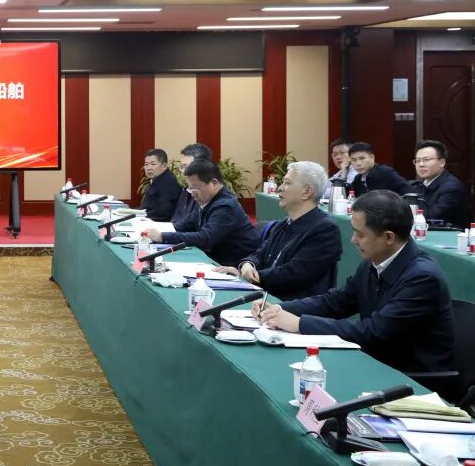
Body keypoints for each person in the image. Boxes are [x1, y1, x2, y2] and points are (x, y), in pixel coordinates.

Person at [258, 190, 453, 374]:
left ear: (388, 237)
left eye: (360, 234)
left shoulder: (422, 278)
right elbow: (334, 302)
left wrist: (300, 324)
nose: (353, 240)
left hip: (411, 377)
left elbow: (374, 331)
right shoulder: (372, 263)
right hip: (375, 362)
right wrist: (281, 309)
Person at [221, 161, 342, 300]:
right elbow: (260, 254)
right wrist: (247, 264)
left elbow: (294, 274)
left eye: (287, 183)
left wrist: (252, 276)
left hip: (292, 306)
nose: (280, 188)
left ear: (307, 192)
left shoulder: (325, 230)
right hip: (266, 296)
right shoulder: (284, 223)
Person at [145, 159, 260, 266]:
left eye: (195, 188)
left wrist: (162, 236)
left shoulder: (226, 206)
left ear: (214, 183)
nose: (192, 193)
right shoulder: (206, 200)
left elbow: (205, 238)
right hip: (215, 259)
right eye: (190, 188)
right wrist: (155, 229)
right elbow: (185, 224)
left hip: (237, 265)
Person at [412, 140, 471, 229]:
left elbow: (431, 218)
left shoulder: (451, 188)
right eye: (417, 160)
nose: (421, 164)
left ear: (442, 162)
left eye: (426, 160)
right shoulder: (419, 185)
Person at [349, 142, 414, 198]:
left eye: (362, 158)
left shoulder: (386, 173)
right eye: (354, 160)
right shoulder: (357, 179)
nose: (358, 163)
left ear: (372, 157)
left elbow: (409, 192)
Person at [171, 143, 213, 228]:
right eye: (182, 167)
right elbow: (176, 220)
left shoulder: (211, 194)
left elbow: (201, 232)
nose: (183, 172)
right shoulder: (186, 190)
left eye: (187, 167)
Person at [140, 148, 180, 222]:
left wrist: (140, 217)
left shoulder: (168, 182)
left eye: (153, 164)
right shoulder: (157, 179)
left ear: (164, 166)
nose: (149, 168)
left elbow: (163, 212)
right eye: (146, 164)